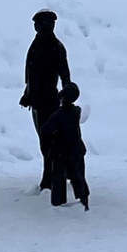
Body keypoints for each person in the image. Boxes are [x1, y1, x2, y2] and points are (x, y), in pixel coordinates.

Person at [22, 9, 75, 188]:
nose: (44, 28)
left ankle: (51, 176)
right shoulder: (36, 45)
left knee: (50, 142)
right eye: (40, 24)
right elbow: (32, 73)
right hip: (36, 100)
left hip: (49, 100)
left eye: (48, 24)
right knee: (44, 141)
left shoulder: (56, 48)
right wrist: (27, 93)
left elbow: (64, 73)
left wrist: (67, 90)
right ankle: (55, 172)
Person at [41, 79, 90, 210]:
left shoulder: (58, 115)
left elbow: (45, 130)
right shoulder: (76, 112)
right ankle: (83, 199)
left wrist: (51, 143)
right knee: (78, 176)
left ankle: (58, 202)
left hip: (61, 151)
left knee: (58, 177)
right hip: (76, 149)